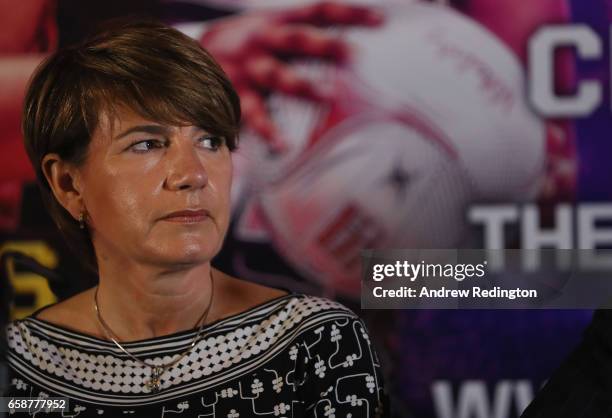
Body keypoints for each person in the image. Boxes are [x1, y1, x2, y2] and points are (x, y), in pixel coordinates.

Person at [4, 19, 390, 417]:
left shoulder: (320, 344)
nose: (193, 173)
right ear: (68, 184)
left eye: (211, 141)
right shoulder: (19, 367)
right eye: (148, 144)